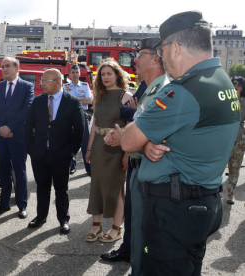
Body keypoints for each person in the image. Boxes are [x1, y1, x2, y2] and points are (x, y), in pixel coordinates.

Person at [121, 11, 240, 275]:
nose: (161, 57)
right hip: (203, 201)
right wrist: (148, 142)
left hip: (174, 211)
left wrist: (142, 139)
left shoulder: (183, 91)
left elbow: (129, 140)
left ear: (175, 48)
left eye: (161, 50)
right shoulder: (222, 82)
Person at [102, 37, 169, 275]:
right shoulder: (150, 87)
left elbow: (161, 134)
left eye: (140, 54)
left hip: (151, 170)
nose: (135, 59)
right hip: (138, 163)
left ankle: (139, 259)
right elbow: (137, 124)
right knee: (134, 214)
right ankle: (132, 252)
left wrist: (137, 142)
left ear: (156, 58)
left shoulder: (165, 89)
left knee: (145, 222)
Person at [25, 69, 84, 234]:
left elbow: (79, 129)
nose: (41, 84)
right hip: (39, 154)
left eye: (45, 81)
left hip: (61, 154)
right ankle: (41, 216)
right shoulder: (38, 101)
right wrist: (30, 148)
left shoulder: (72, 102)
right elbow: (28, 126)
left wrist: (72, 151)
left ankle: (63, 220)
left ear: (58, 81)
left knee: (61, 189)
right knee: (42, 187)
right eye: (41, 81)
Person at [84, 60, 132, 243]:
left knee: (116, 188)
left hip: (117, 147)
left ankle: (116, 228)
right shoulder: (100, 95)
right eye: (102, 74)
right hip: (98, 145)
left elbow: (130, 126)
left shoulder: (126, 96)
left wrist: (127, 152)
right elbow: (94, 125)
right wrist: (88, 148)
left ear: (117, 75)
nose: (105, 77)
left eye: (109, 74)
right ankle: (96, 226)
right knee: (96, 185)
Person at [0, 57, 34, 219]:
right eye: (2, 67)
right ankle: (4, 203)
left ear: (16, 67)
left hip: (18, 137)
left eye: (7, 66)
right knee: (4, 172)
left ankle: (22, 205)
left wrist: (10, 127)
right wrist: (2, 128)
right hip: (1, 137)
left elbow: (27, 110)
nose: (4, 69)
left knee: (19, 172)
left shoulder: (27, 87)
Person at [63, 64, 92, 175]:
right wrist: (80, 99)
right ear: (69, 74)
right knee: (70, 141)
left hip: (82, 115)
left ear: (79, 74)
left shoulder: (84, 86)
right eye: (73, 73)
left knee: (85, 142)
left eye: (77, 72)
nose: (75, 75)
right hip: (69, 117)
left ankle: (89, 168)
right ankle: (72, 166)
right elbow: (64, 102)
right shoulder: (65, 86)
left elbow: (89, 101)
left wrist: (73, 101)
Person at [226, 76, 245, 204]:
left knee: (235, 167)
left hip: (238, 140)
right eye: (234, 83)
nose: (236, 85)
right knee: (227, 166)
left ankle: (230, 193)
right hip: (225, 140)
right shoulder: (224, 99)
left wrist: (237, 99)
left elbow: (240, 116)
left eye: (239, 83)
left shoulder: (243, 101)